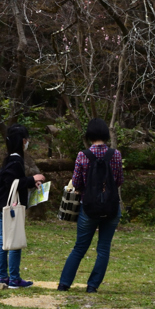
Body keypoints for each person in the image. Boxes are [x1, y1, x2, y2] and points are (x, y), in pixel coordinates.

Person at [57, 118, 123, 293]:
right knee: (103, 248)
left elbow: (77, 183)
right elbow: (118, 181)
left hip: (89, 208)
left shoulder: (83, 155)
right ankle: (92, 286)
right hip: (111, 207)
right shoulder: (115, 155)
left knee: (80, 247)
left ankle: (64, 283)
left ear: (89, 135)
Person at [0, 124, 45, 289]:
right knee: (14, 240)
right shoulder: (16, 160)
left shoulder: (9, 158)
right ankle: (14, 279)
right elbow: (11, 182)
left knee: (3, 240)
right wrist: (32, 179)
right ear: (23, 141)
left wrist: (30, 182)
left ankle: (3, 278)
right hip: (11, 207)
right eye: (27, 140)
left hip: (2, 204)